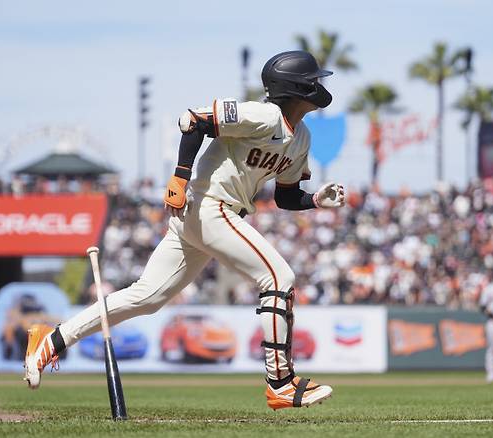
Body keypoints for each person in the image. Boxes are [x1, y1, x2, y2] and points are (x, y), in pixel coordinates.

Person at [23, 50, 345, 410]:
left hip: (211, 216)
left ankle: (51, 340)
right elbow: (192, 120)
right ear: (298, 86)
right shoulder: (264, 114)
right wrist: (179, 176)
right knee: (278, 276)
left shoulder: (301, 138)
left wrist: (315, 199)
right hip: (209, 206)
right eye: (314, 79)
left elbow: (286, 196)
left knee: (147, 297)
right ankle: (281, 383)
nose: (320, 84)